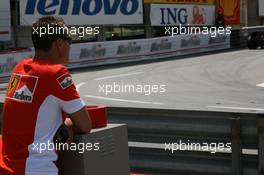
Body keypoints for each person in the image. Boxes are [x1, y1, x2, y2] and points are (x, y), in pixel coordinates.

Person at [0, 16, 92, 174]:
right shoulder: (56, 74)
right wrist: (68, 124)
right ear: (59, 43)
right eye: (69, 40)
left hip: (6, 166)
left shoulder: (19, 68)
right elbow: (85, 125)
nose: (70, 45)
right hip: (34, 170)